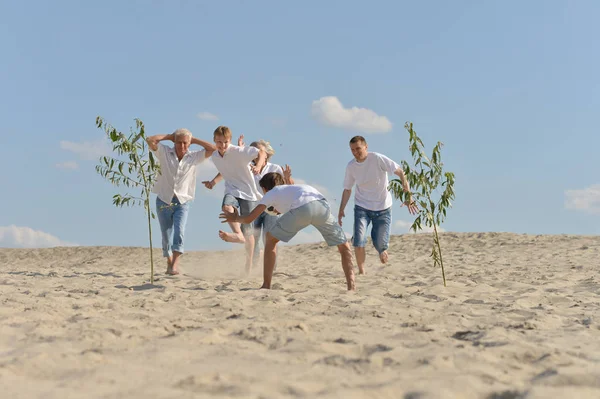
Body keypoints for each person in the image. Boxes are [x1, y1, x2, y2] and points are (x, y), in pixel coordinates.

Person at [220, 172, 356, 291]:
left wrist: (236, 217)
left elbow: (250, 218)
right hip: (322, 206)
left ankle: (266, 285)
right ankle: (351, 286)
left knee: (270, 239)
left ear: (265, 188)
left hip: (303, 209)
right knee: (344, 246)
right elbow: (287, 204)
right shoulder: (292, 188)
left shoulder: (271, 193)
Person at [338, 135, 418, 275]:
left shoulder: (377, 159)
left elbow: (400, 172)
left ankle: (382, 250)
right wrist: (341, 210)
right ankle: (362, 272)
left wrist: (408, 195)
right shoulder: (351, 167)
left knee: (381, 244)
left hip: (383, 208)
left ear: (366, 147)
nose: (355, 152)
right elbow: (347, 189)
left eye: (358, 149)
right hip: (362, 207)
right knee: (359, 238)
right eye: (352, 150)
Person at [146, 128, 216, 275]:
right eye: (179, 142)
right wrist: (169, 136)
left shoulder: (194, 157)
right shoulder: (164, 152)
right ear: (174, 142)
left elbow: (213, 148)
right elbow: (150, 140)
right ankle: (169, 261)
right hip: (163, 199)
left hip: (182, 201)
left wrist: (193, 139)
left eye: (185, 143)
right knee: (166, 235)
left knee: (180, 231)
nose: (182, 146)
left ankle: (175, 265)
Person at [203, 126, 267, 274]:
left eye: (225, 142)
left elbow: (262, 152)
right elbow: (225, 171)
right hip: (232, 190)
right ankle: (238, 235)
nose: (222, 145)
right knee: (226, 208)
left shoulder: (238, 151)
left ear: (230, 141)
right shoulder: (215, 156)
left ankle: (249, 263)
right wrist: (213, 182)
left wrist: (257, 166)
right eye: (219, 142)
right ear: (214, 141)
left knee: (249, 232)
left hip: (249, 194)